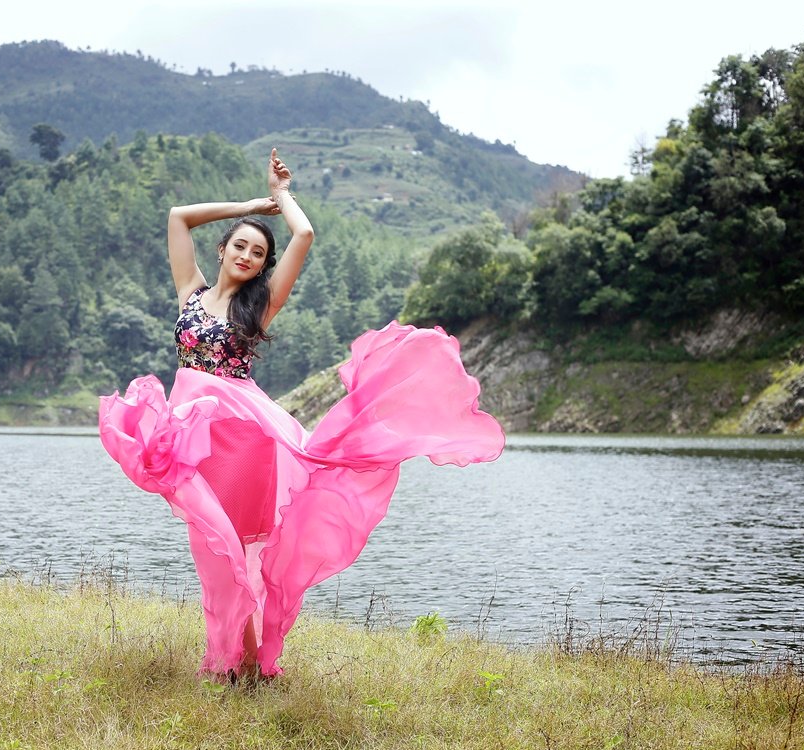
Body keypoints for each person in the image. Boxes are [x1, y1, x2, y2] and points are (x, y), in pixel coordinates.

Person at [100, 148, 505, 684]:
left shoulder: (259, 305)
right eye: (239, 246)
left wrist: (283, 196)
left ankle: (241, 666)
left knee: (233, 547)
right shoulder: (190, 294)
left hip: (242, 442)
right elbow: (178, 217)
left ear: (263, 267)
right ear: (222, 250)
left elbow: (305, 234)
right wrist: (251, 207)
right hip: (191, 439)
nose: (247, 256)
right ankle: (239, 662)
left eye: (257, 253)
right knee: (211, 549)